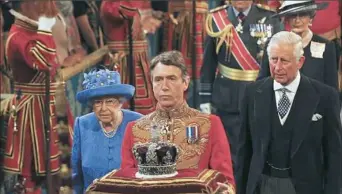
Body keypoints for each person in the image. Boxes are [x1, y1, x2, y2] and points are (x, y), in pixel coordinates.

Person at [236, 31, 341, 194]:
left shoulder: (325, 97)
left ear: (300, 61)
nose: (277, 67)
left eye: (284, 61)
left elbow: (334, 156)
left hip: (306, 187)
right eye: (273, 60)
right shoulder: (252, 94)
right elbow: (244, 150)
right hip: (261, 185)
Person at [120, 51, 235, 188]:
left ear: (185, 83)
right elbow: (126, 182)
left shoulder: (210, 124)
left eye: (171, 78)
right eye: (158, 80)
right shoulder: (134, 128)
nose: (164, 87)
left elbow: (225, 182)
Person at [199, 0, 281, 168]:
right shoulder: (216, 18)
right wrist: (204, 99)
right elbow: (208, 64)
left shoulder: (270, 18)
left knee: (259, 147)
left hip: (260, 95)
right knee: (230, 151)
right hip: (227, 96)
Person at [2, 0, 62, 193]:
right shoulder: (19, 36)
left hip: (44, 103)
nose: (45, 6)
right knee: (31, 171)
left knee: (53, 170)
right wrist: (46, 25)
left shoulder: (31, 32)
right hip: (30, 110)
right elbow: (48, 61)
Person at [71, 69, 143, 193]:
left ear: (120, 102)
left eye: (110, 101)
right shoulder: (82, 124)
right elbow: (76, 175)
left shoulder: (138, 123)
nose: (103, 108)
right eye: (98, 102)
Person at [258, 0, 338, 89]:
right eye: (293, 15)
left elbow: (332, 89)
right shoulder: (274, 43)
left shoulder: (326, 46)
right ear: (287, 19)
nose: (297, 20)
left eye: (303, 15)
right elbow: (262, 83)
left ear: (311, 18)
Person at [100, 1, 162, 115]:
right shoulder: (110, 4)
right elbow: (122, 9)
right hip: (123, 63)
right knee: (121, 111)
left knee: (144, 111)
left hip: (137, 61)